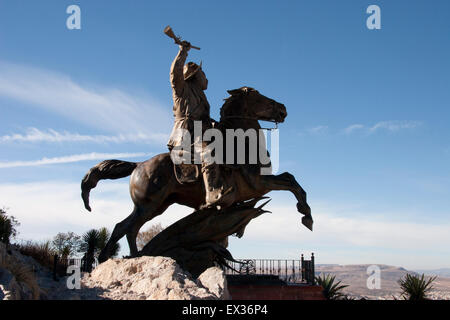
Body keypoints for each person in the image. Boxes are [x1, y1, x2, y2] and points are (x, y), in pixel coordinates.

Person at [167, 40, 233, 209]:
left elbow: (204, 118)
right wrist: (183, 52)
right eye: (203, 73)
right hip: (186, 135)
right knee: (208, 153)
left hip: (202, 132)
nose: (206, 77)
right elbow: (175, 74)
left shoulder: (201, 95)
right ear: (195, 75)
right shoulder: (182, 89)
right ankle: (211, 193)